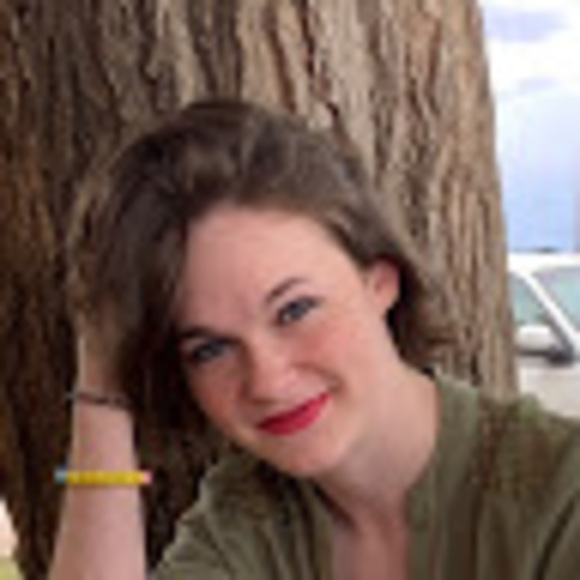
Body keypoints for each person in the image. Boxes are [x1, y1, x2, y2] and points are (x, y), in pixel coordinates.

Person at [49, 99, 580, 580]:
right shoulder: (248, 519)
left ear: (380, 282)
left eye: (294, 310)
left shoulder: (559, 493)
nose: (267, 381)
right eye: (210, 349)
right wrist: (103, 384)